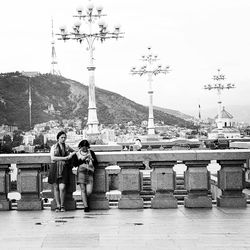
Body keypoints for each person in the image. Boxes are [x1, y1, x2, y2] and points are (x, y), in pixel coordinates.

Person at [48, 131, 75, 212]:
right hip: (55, 167)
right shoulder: (53, 147)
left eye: (64, 137)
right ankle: (58, 205)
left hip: (64, 168)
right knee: (56, 187)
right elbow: (52, 158)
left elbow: (74, 151)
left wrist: (70, 155)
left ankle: (62, 205)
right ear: (58, 138)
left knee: (62, 187)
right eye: (61, 137)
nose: (63, 139)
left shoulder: (66, 146)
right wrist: (65, 158)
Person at [72, 139, 97, 212]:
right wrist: (83, 159)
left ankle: (86, 202)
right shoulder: (77, 154)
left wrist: (91, 159)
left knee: (89, 191)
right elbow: (75, 164)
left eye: (86, 147)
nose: (85, 148)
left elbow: (96, 163)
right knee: (83, 190)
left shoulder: (91, 153)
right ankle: (86, 206)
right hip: (81, 172)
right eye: (83, 147)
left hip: (89, 172)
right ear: (80, 147)